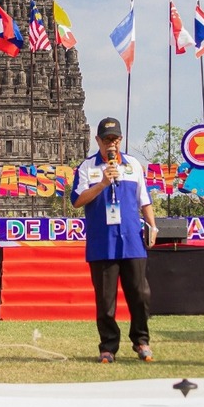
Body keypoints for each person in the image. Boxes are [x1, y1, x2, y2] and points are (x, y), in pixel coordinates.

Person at [71, 117, 158, 363]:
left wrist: (153, 225)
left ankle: (141, 341)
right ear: (97, 140)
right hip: (103, 241)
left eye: (115, 139)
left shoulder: (133, 165)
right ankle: (108, 346)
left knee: (140, 294)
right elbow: (77, 200)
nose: (111, 143)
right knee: (106, 300)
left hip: (131, 239)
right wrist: (102, 183)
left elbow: (144, 200)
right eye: (106, 139)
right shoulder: (87, 167)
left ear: (120, 140)